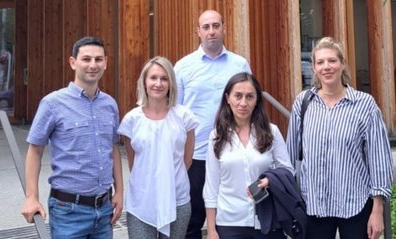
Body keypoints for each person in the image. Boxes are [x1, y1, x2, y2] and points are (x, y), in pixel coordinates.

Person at [286, 37, 393, 239]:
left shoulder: (364, 105)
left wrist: (377, 211)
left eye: (332, 60)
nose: (327, 67)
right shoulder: (303, 103)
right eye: (320, 62)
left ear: (342, 64)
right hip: (314, 204)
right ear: (315, 68)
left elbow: (380, 159)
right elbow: (289, 155)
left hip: (355, 203)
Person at [21, 36, 124, 238]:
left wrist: (119, 191)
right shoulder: (52, 103)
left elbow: (113, 149)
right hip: (68, 211)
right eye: (86, 59)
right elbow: (35, 150)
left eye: (98, 59)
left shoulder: (110, 104)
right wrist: (31, 197)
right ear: (73, 62)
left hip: (104, 209)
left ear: (106, 62)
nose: (93, 65)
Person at [174, 10, 252, 239]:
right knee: (191, 221)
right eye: (206, 27)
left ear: (224, 28)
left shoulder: (240, 64)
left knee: (232, 218)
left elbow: (252, 103)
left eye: (215, 26)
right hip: (195, 156)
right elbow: (175, 114)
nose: (211, 31)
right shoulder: (183, 67)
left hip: (233, 154)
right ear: (198, 31)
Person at [203, 72, 294, 239]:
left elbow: (287, 170)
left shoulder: (271, 131)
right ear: (227, 98)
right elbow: (211, 186)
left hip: (267, 221)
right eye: (238, 96)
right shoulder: (217, 136)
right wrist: (211, 229)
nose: (243, 103)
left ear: (257, 100)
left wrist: (269, 180)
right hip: (229, 223)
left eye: (249, 96)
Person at [117, 56, 198, 238]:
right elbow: (133, 162)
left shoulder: (184, 117)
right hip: (141, 203)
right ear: (144, 82)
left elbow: (187, 160)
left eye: (164, 78)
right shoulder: (132, 120)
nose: (158, 83)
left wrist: (168, 178)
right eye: (153, 78)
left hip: (177, 199)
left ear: (171, 83)